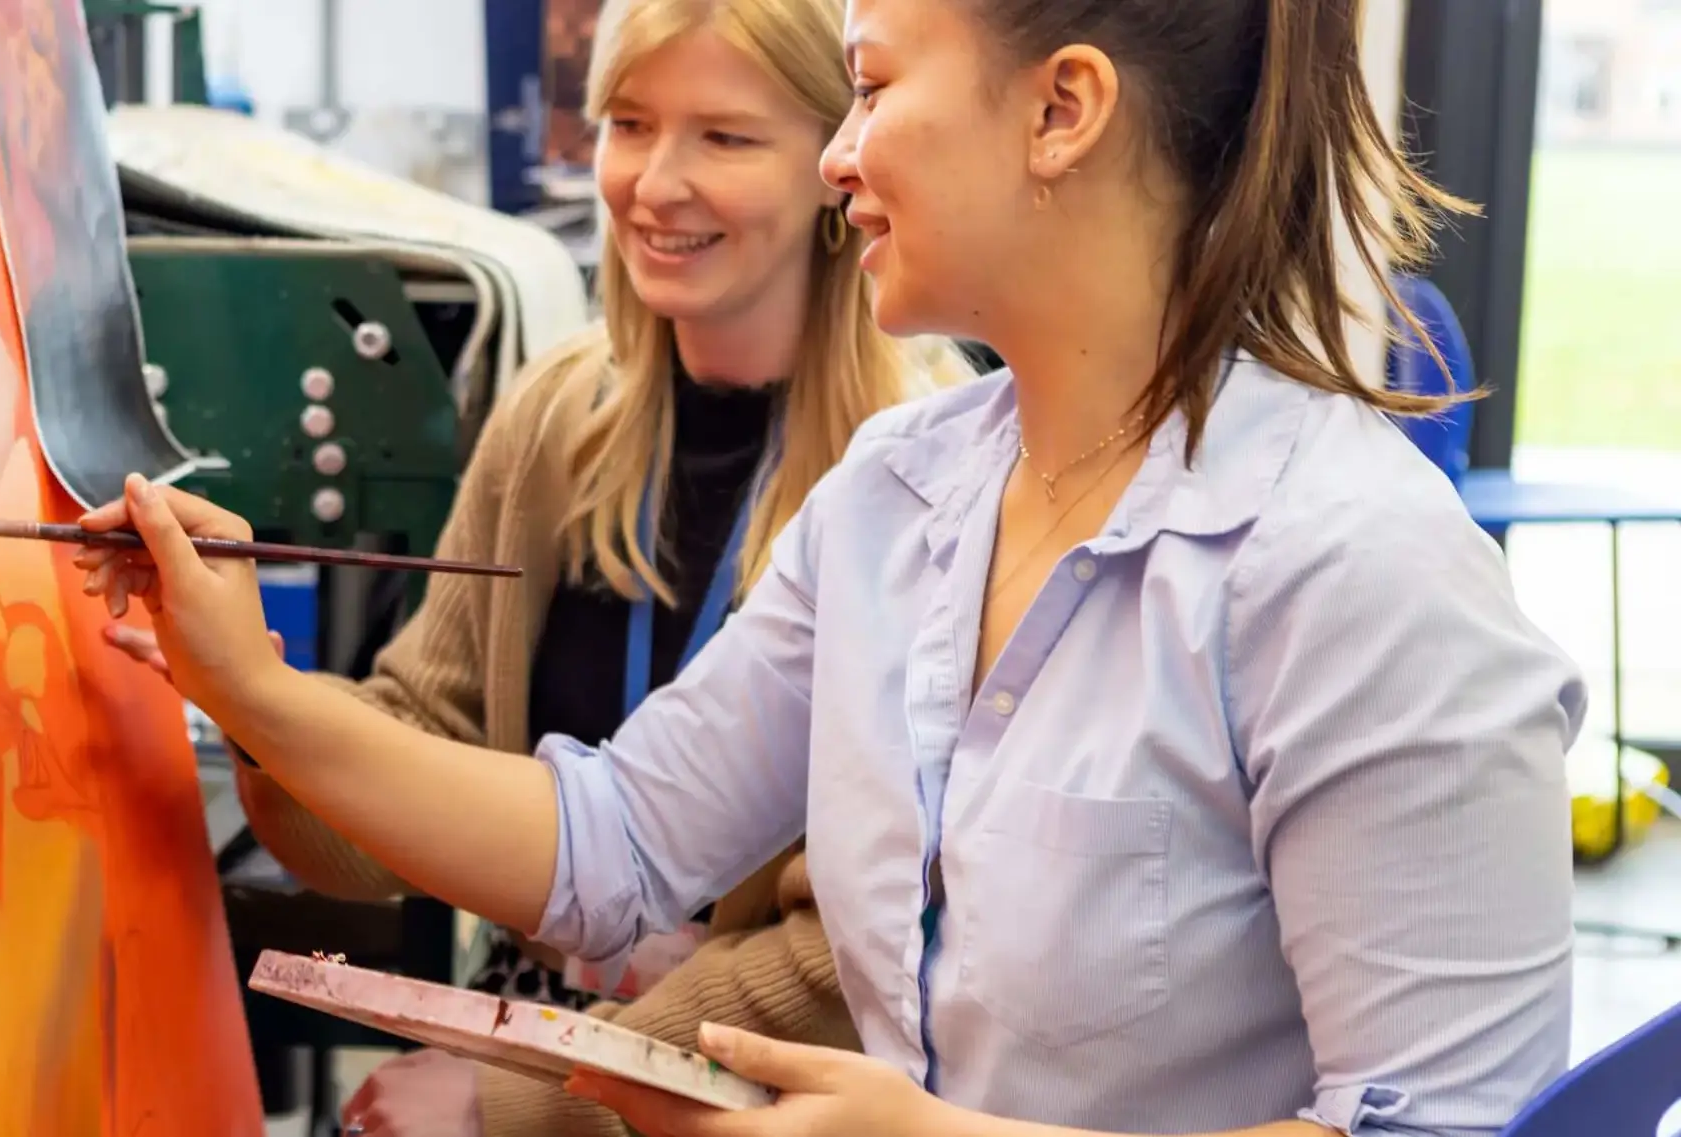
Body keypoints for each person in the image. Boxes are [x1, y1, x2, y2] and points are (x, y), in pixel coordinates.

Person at [80, 0, 1591, 1130]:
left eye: (868, 92)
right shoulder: (898, 502)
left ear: (1063, 110)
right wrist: (257, 691)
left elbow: (1447, 1126)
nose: (843, 156)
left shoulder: (1360, 574)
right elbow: (610, 837)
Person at [99, 0, 964, 1132]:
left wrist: (533, 1095)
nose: (655, 183)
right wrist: (256, 704)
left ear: (834, 162)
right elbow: (417, 760)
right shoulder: (558, 420)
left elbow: (846, 953)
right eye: (628, 123)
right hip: (553, 1039)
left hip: (761, 1100)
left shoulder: (925, 471)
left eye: (725, 137)